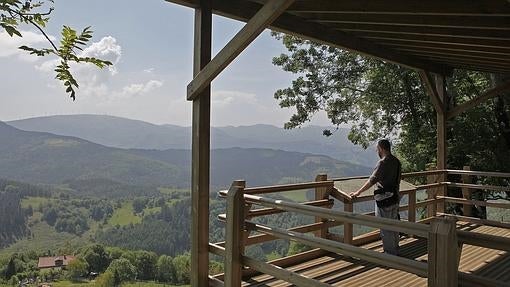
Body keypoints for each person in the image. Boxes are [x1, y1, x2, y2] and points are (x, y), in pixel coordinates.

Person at [349, 139, 402, 255]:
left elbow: (372, 180)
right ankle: (396, 250)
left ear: (381, 149)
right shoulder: (397, 162)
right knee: (394, 224)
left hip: (384, 199)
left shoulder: (382, 163)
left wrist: (358, 192)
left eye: (377, 148)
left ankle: (390, 254)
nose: (376, 151)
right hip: (395, 198)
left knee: (385, 227)